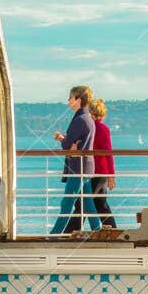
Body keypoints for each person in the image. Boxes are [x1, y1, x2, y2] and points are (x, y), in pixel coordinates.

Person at [50, 85, 97, 235]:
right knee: (88, 203)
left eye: (70, 98)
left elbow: (67, 146)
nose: (68, 101)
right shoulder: (88, 118)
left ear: (78, 99)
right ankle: (99, 229)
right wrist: (68, 141)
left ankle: (54, 235)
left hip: (77, 167)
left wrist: (65, 141)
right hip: (87, 166)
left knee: (67, 203)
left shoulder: (79, 120)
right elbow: (74, 143)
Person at [87, 98, 117, 231]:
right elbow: (108, 154)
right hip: (102, 173)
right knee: (100, 204)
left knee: (83, 203)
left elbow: (107, 152)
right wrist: (111, 175)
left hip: (94, 172)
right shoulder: (103, 128)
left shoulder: (91, 128)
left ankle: (69, 232)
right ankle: (114, 231)